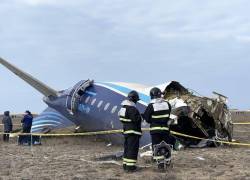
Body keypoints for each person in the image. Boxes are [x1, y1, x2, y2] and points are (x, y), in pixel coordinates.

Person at [143, 87, 173, 169]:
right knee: (166, 146)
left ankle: (160, 165)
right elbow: (168, 115)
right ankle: (167, 162)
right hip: (165, 130)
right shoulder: (167, 104)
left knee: (157, 146)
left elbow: (147, 119)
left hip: (155, 130)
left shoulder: (151, 106)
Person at [119, 90, 142, 172]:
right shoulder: (132, 108)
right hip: (133, 132)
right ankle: (130, 167)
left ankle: (125, 165)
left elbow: (122, 119)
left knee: (127, 149)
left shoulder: (123, 108)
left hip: (126, 131)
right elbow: (136, 119)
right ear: (134, 99)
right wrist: (141, 116)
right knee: (132, 149)